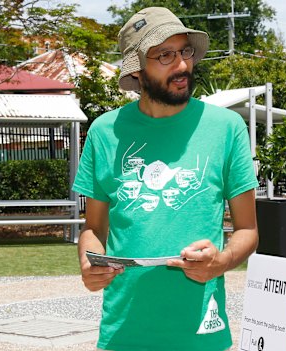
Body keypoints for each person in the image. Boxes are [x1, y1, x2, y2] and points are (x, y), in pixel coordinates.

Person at [72, 7, 259, 351]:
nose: (183, 65)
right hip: (123, 333)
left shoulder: (227, 128)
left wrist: (222, 262)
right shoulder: (105, 132)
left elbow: (248, 231)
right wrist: (89, 262)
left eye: (185, 51)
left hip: (203, 331)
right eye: (165, 55)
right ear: (138, 70)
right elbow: (94, 229)